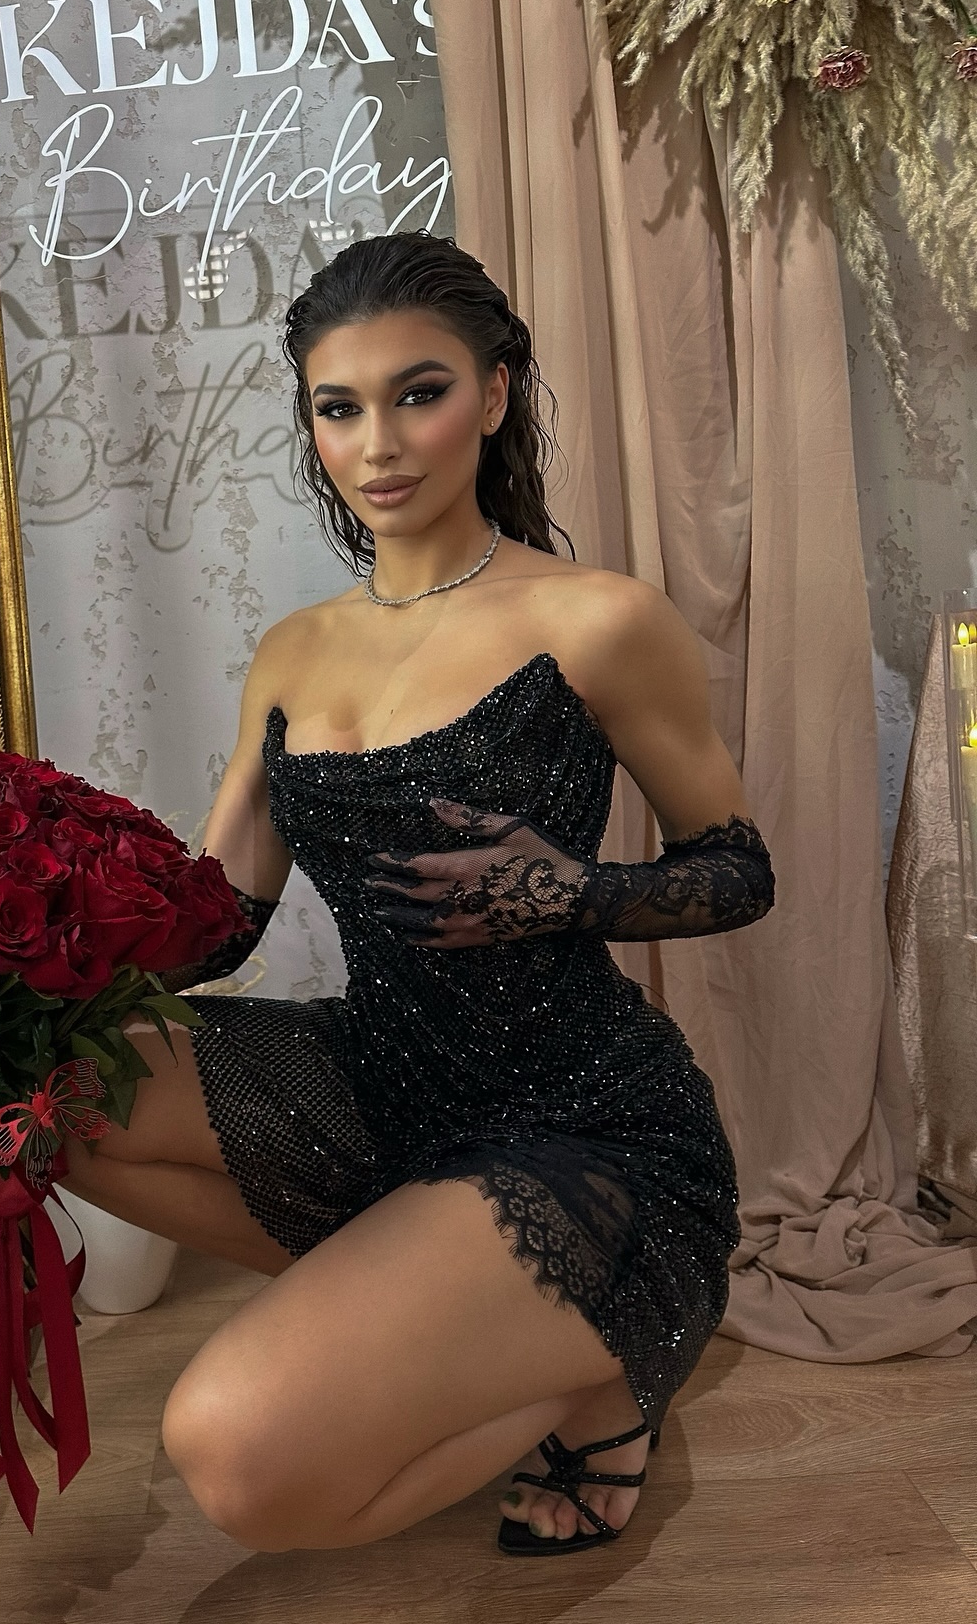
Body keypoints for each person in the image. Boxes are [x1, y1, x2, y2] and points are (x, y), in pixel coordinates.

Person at [58, 231, 774, 1557]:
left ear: (494, 394)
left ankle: (602, 1376)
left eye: (419, 393)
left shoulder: (599, 619)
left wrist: (569, 892)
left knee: (238, 1462)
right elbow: (218, 920)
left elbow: (738, 869)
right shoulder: (293, 651)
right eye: (339, 408)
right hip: (380, 1075)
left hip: (580, 1117)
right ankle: (440, 1307)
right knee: (43, 1095)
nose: (378, 443)